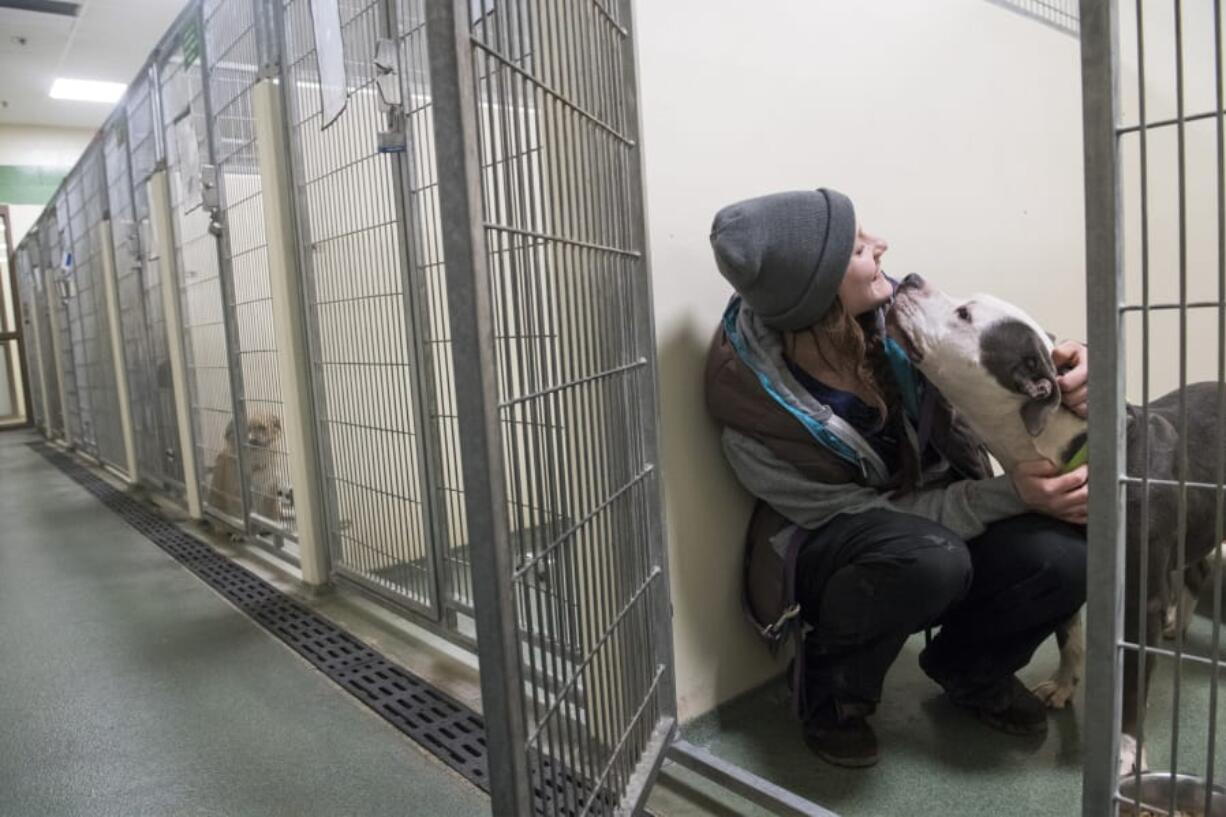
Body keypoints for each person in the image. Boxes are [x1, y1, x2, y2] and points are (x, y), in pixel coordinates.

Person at [704, 188, 1089, 768]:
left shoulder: (896, 318)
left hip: (942, 514)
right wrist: (1012, 493)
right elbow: (866, 516)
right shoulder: (750, 414)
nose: (881, 243)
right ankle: (831, 696)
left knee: (1069, 554)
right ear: (817, 289)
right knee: (929, 557)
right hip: (836, 546)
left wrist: (1076, 364)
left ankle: (969, 668)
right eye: (859, 246)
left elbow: (1009, 358)